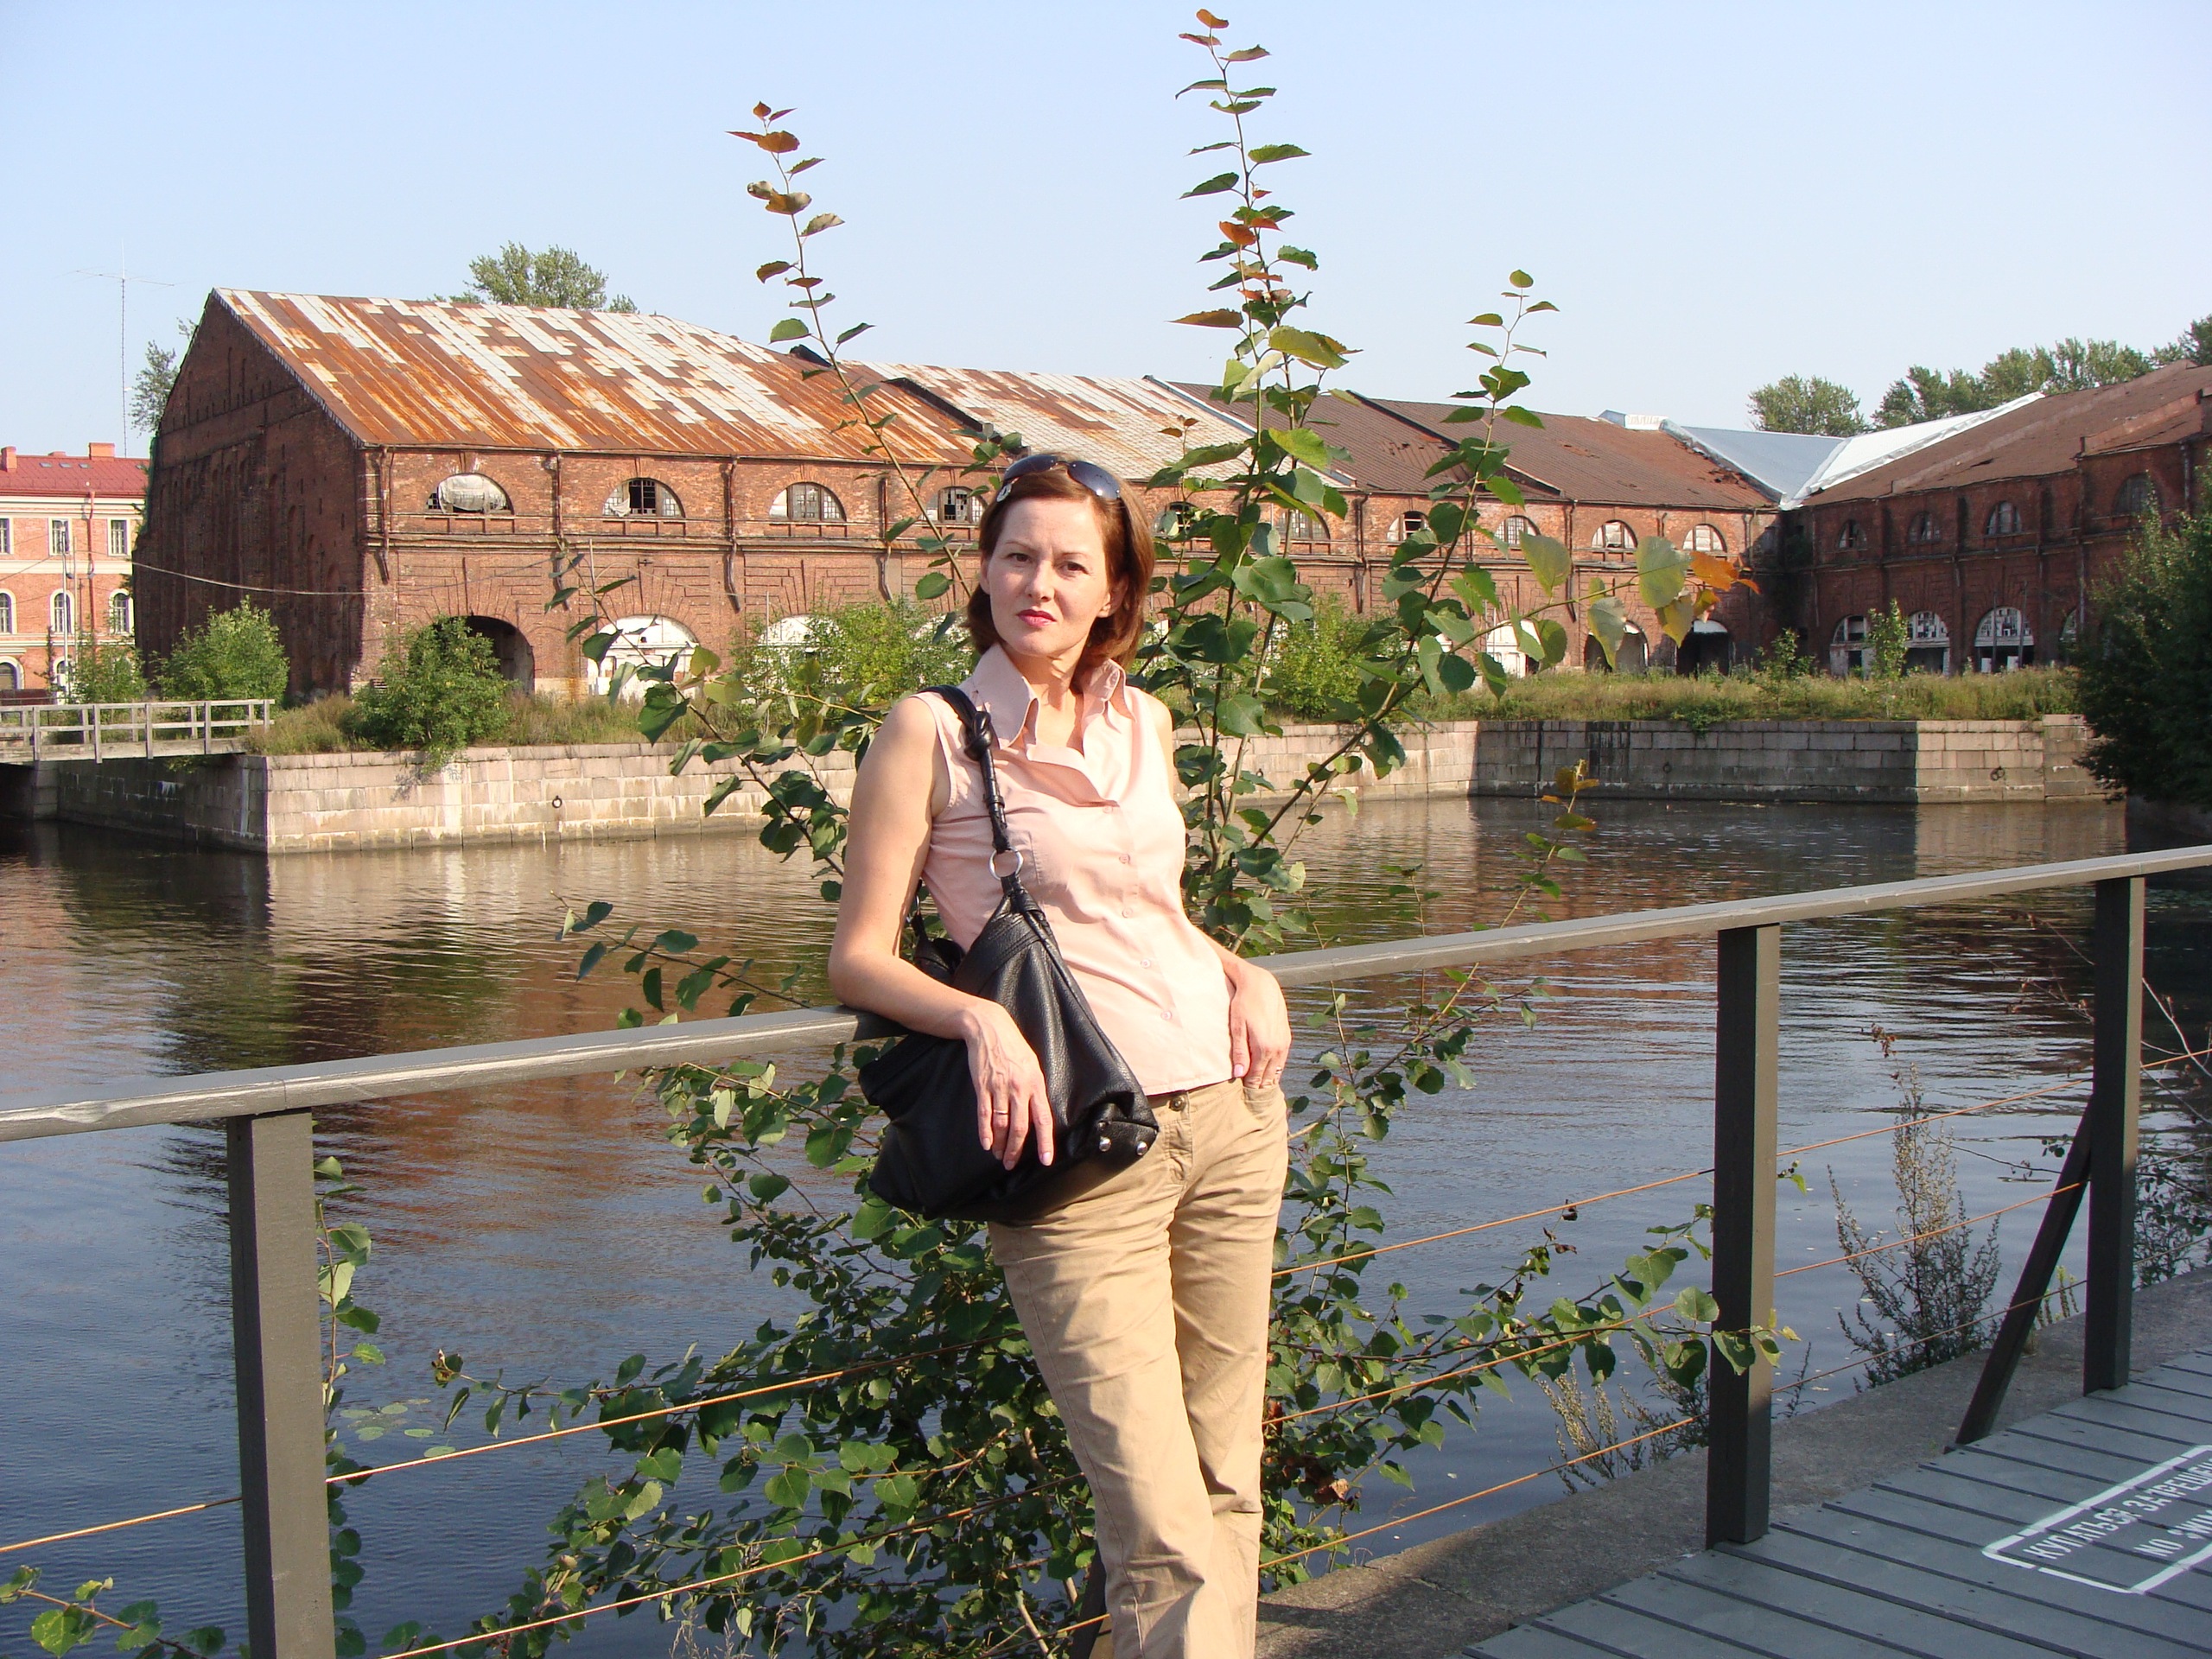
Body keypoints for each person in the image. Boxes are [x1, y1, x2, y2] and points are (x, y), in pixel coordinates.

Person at [828, 454, 1293, 1656]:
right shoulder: (934, 730)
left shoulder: (1148, 720)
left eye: (1071, 564)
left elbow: (1149, 912)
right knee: (1159, 1523)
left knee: (1226, 1476)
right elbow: (859, 959)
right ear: (984, 573)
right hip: (1082, 1149)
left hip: (1230, 1116)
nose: (1040, 583)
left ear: (1115, 590)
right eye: (1018, 556)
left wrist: (1243, 969)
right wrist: (978, 1018)